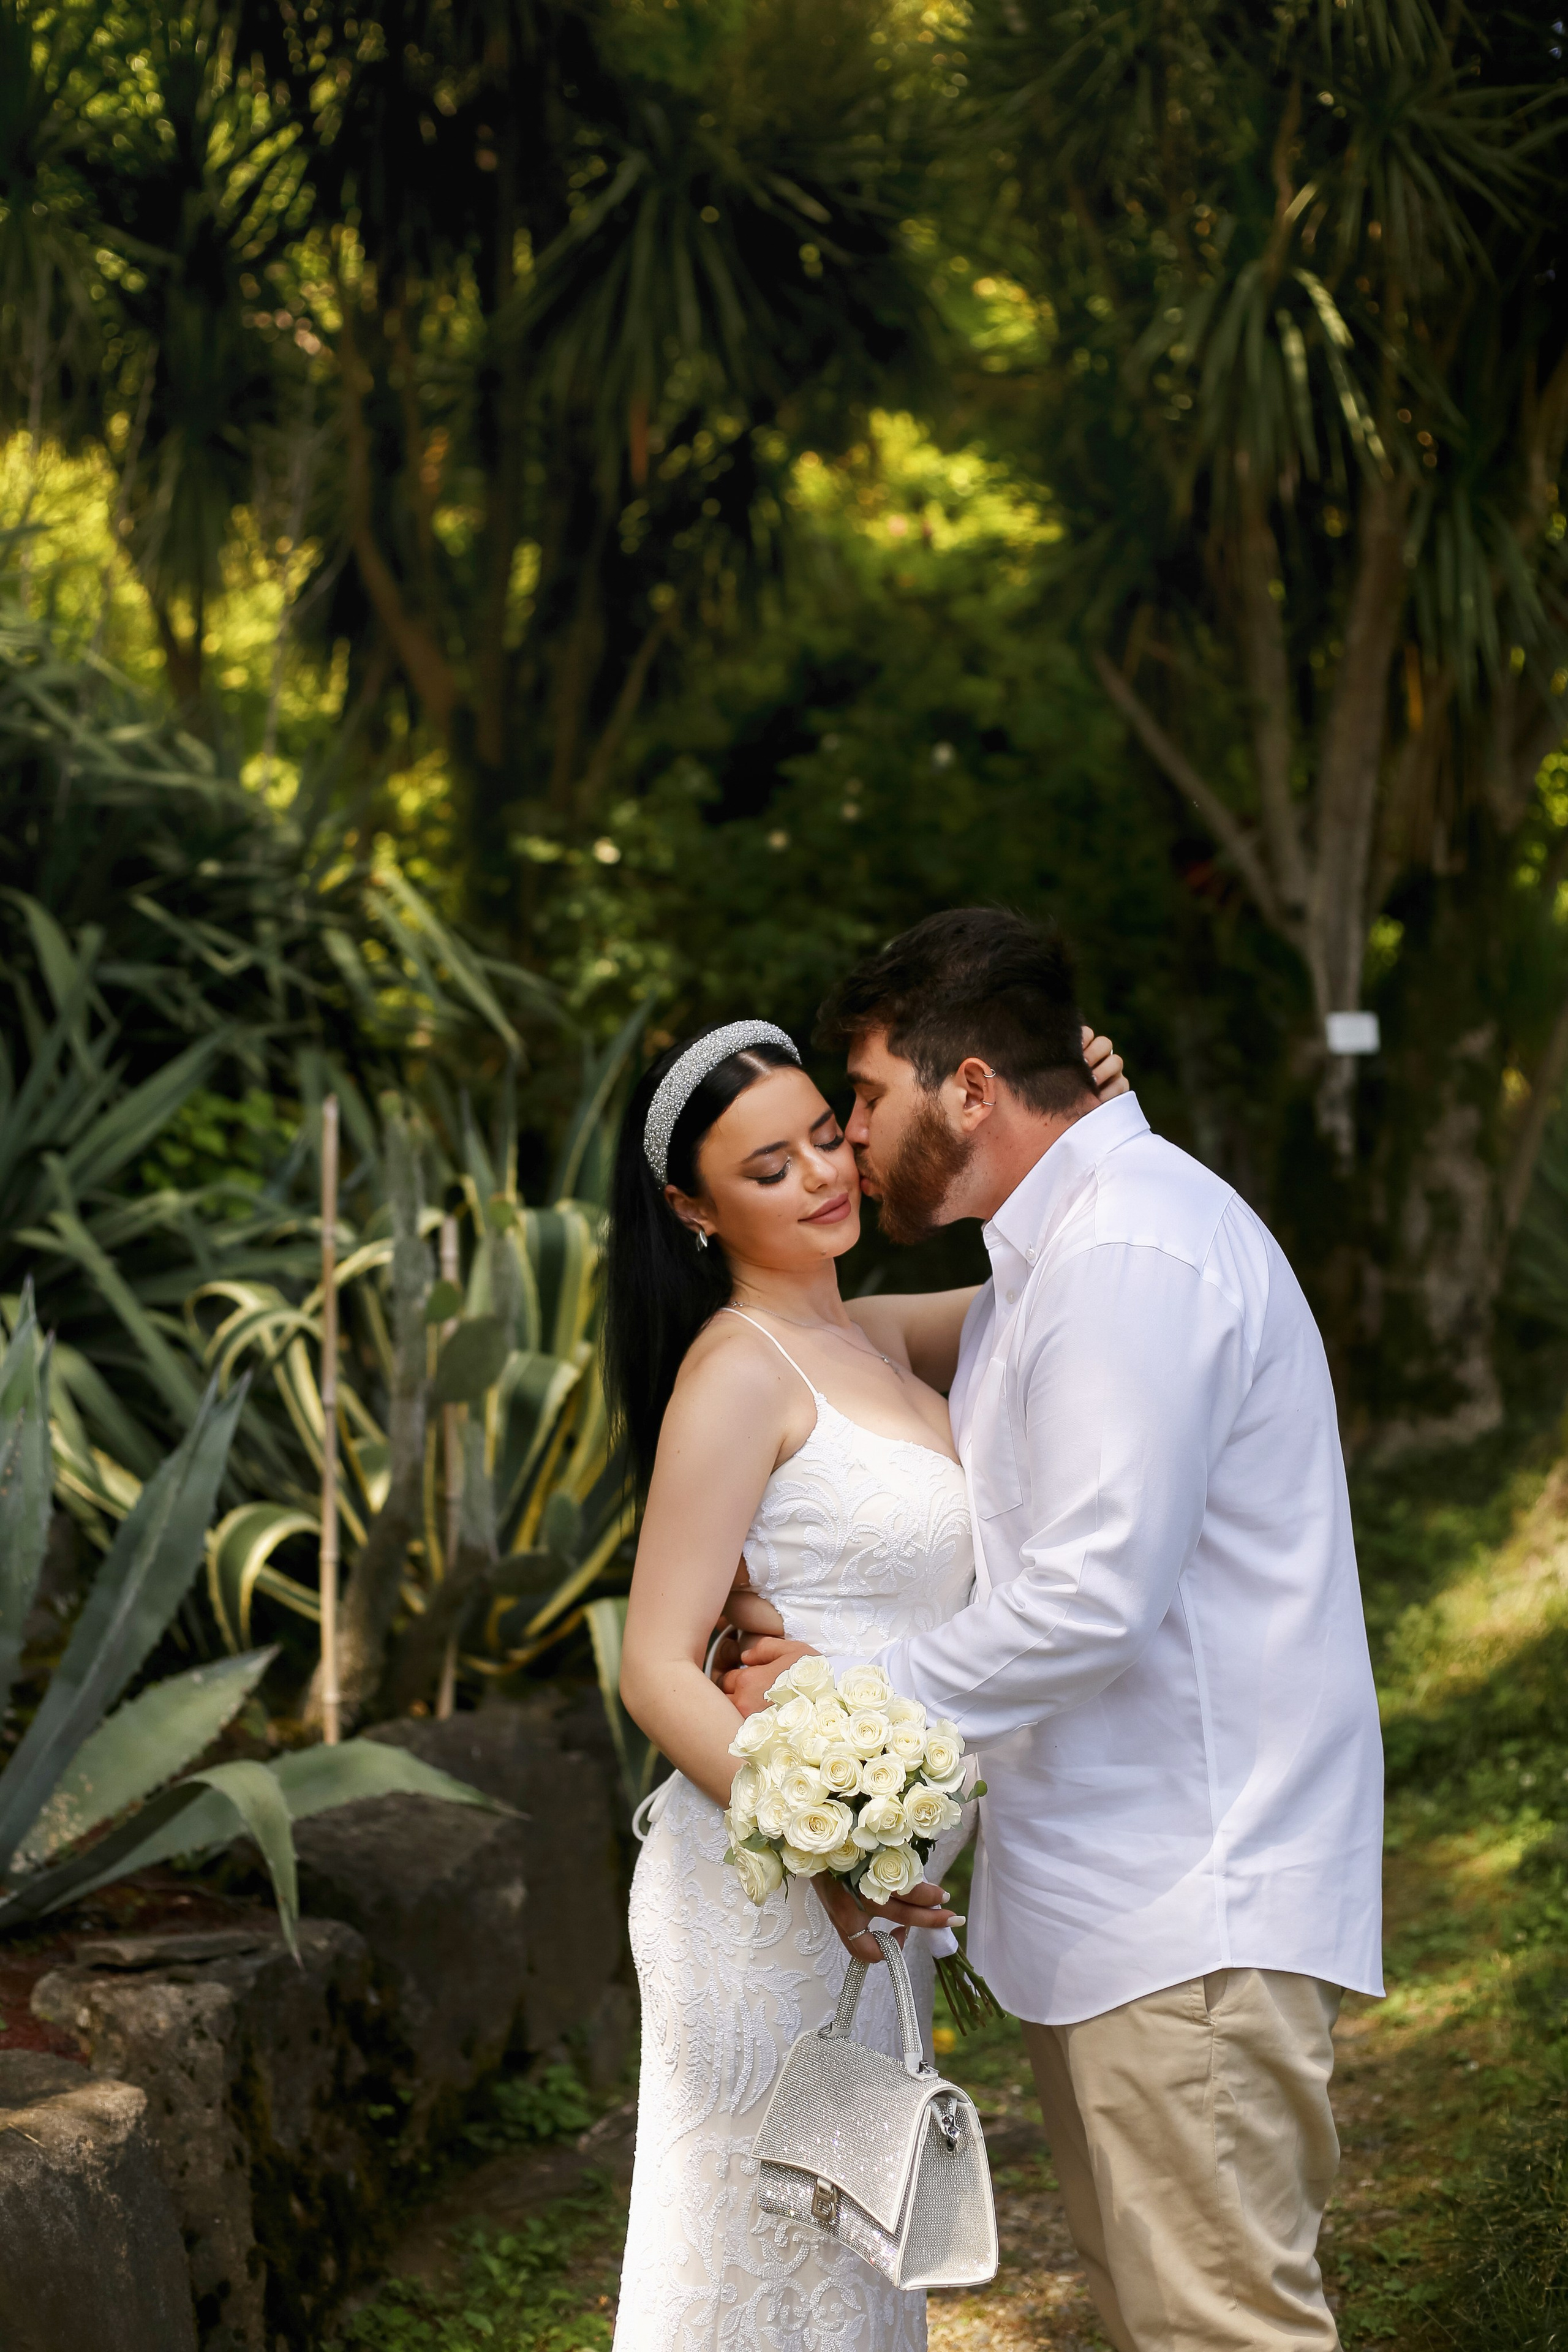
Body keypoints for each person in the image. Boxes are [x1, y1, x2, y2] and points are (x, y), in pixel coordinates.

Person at [725, 907, 1385, 2352]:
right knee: (1161, 2321)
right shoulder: (1054, 1255)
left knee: (1219, 2328)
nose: (848, 1136)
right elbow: (836, 1342)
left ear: (968, 1089)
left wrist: (842, 1696)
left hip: (1188, 1905)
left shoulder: (1127, 1255)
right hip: (1119, 1906)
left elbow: (1089, 1600)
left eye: (866, 1097)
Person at [605, 1006, 1127, 2352]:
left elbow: (1073, 1278)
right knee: (758, 2271)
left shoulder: (877, 1337)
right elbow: (654, 1666)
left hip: (874, 1890)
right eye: (767, 1168)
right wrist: (828, 1848)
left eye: (827, 1137)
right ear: (693, 1210)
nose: (823, 1176)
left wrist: (1084, 1119)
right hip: (767, 1886)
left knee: (849, 2278)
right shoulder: (736, 1371)